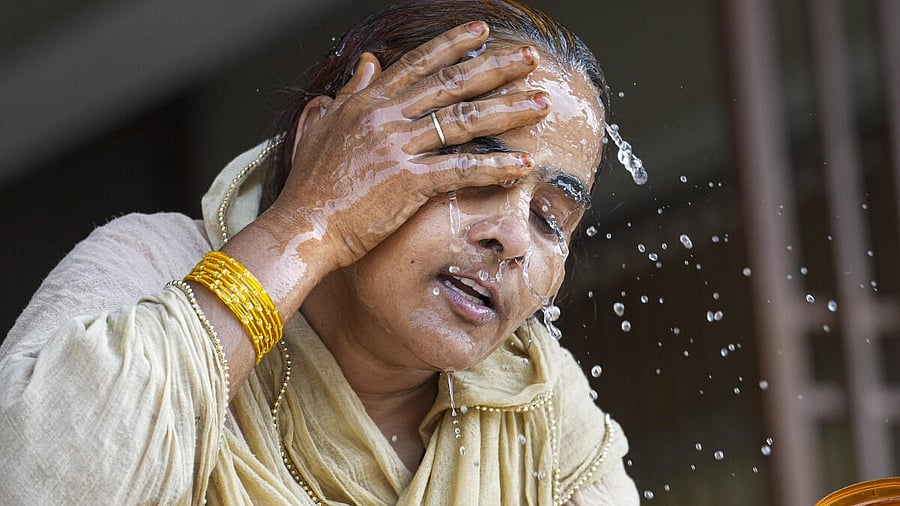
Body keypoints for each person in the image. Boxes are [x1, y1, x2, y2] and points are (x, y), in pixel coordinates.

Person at [0, 0, 639, 504]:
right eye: (473, 167)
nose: (513, 236)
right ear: (329, 141)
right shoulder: (152, 270)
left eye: (550, 218)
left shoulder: (538, 406)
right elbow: (34, 484)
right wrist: (313, 218)